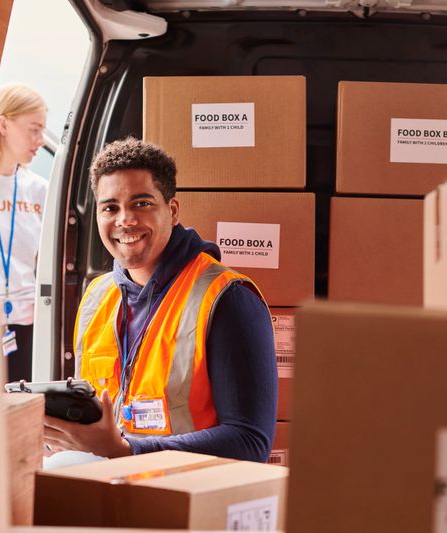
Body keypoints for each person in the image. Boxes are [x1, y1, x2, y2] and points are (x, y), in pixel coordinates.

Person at [43, 137, 277, 462]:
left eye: (142, 203)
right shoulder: (97, 298)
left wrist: (127, 450)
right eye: (110, 207)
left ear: (173, 210)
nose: (125, 219)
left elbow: (250, 441)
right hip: (115, 481)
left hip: (192, 493)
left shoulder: (227, 298)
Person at [0, 84, 49, 382]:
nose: (41, 140)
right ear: (4, 124)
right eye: (34, 129)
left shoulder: (40, 190)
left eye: (42, 130)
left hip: (26, 326)